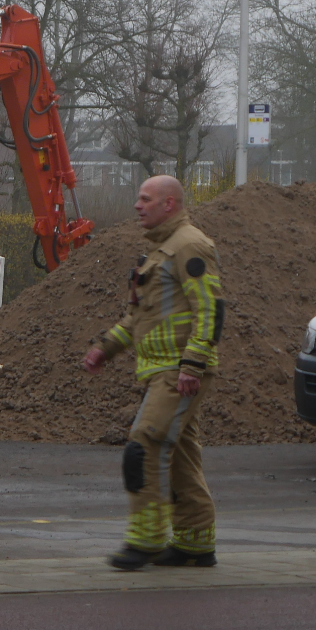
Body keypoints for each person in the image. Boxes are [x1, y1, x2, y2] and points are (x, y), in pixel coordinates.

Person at [81, 175, 224, 571]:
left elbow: (210, 309)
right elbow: (137, 317)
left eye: (146, 199)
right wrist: (104, 349)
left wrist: (192, 364)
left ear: (169, 204)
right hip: (163, 371)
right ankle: (195, 543)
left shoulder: (190, 245)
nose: (137, 206)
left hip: (179, 372)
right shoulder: (159, 252)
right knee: (178, 458)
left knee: (144, 445)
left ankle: (145, 540)